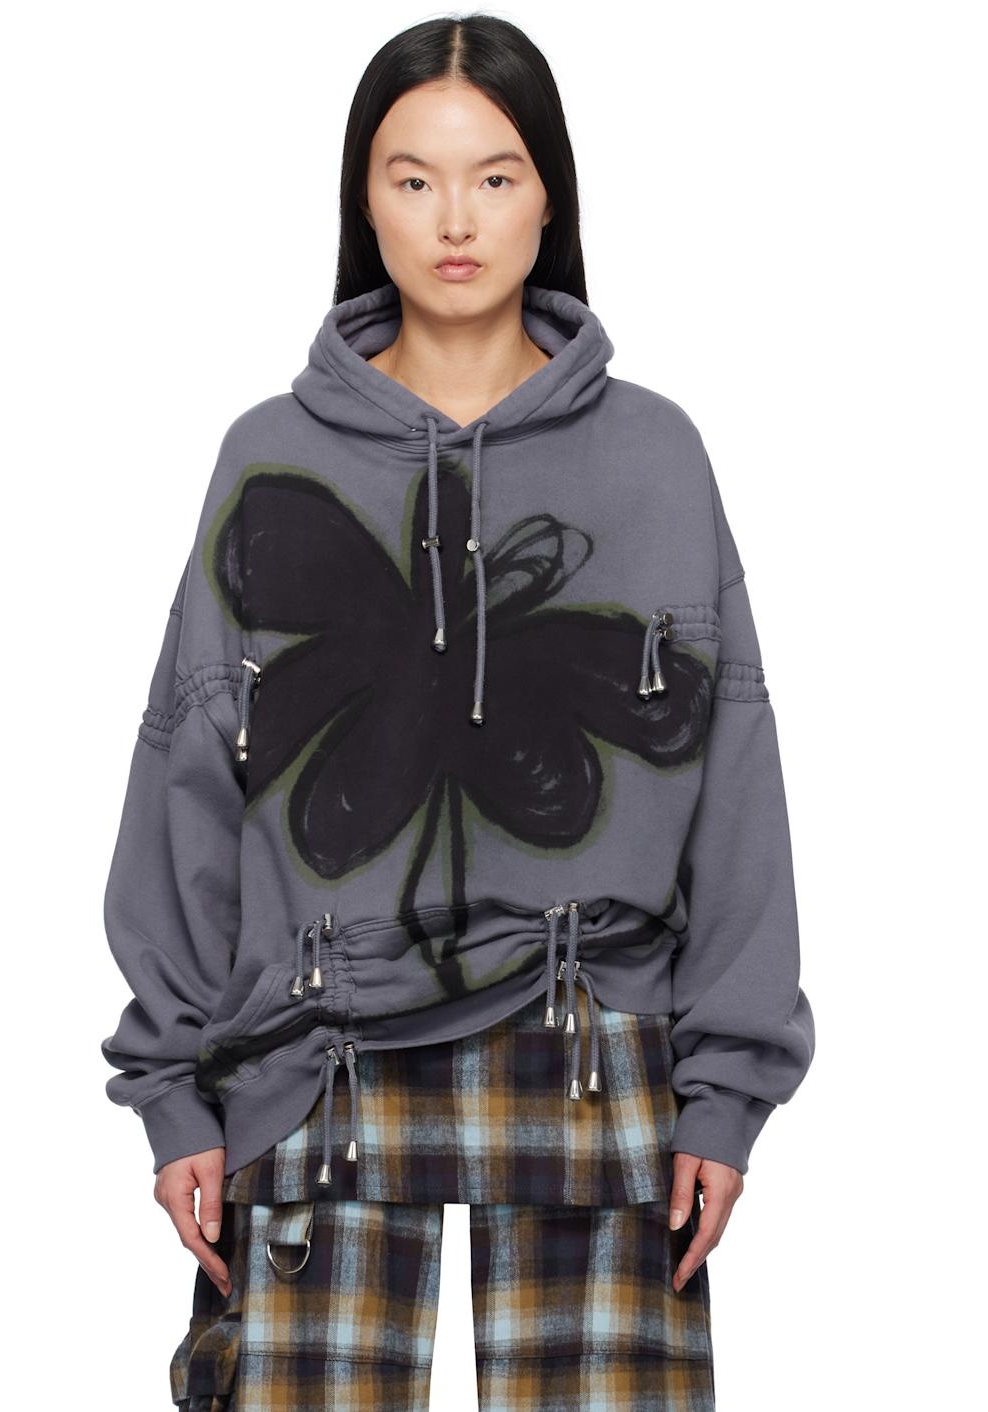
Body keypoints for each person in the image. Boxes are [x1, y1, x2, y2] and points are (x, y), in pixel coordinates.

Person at [100, 14, 815, 1410]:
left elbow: (734, 777)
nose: (454, 220)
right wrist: (176, 1090)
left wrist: (726, 1093)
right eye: (412, 178)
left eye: (494, 176)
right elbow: (189, 768)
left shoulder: (657, 454)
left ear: (551, 195)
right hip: (318, 1060)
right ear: (364, 203)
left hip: (597, 1056)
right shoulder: (271, 455)